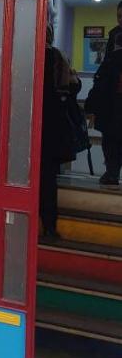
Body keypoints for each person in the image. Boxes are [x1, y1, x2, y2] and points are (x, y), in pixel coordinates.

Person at [40, 25, 81, 238]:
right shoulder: (57, 57)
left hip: (25, 128)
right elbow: (73, 86)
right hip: (52, 128)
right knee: (48, 180)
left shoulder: (25, 56)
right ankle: (49, 227)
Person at [88, 33, 122, 186]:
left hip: (111, 111)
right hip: (113, 109)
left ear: (115, 44)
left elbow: (99, 87)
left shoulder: (110, 60)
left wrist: (91, 107)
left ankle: (112, 174)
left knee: (110, 143)